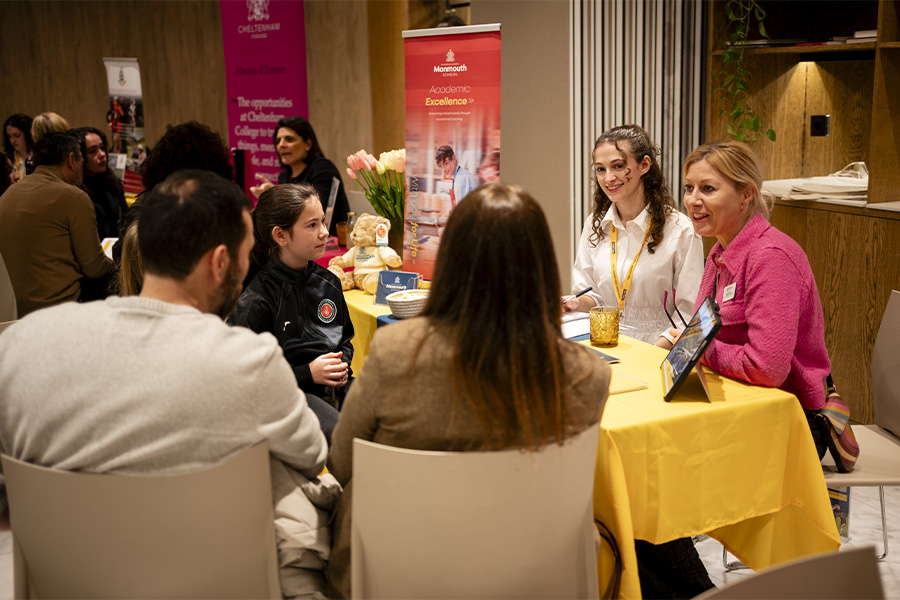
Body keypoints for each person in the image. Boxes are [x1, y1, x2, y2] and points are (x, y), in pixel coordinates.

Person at [0, 169, 336, 597]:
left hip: (70, 578)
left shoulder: (22, 343)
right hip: (218, 576)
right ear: (220, 262)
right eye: (248, 254)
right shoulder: (248, 360)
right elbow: (308, 453)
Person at [325, 182, 612, 598]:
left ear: (451, 261)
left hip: (397, 573)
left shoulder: (395, 353)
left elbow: (343, 463)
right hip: (529, 575)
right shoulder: (589, 376)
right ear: (542, 267)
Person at [678, 140, 831, 414]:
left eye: (708, 189)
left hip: (785, 416)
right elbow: (701, 333)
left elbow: (767, 369)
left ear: (746, 194)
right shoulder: (719, 253)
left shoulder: (772, 256)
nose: (692, 200)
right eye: (689, 188)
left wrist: (701, 350)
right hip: (736, 400)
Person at [229, 183, 352, 444]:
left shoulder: (329, 282)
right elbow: (248, 380)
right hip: (289, 395)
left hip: (337, 387)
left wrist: (342, 364)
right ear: (281, 236)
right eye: (312, 225)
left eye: (322, 222)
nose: (324, 232)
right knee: (342, 435)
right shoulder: (256, 300)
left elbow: (345, 340)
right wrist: (309, 373)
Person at [565, 124, 703, 344]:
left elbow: (689, 312)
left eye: (618, 166)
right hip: (605, 348)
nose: (608, 178)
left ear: (644, 165)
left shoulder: (680, 229)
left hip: (658, 350)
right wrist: (573, 303)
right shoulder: (594, 224)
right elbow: (592, 294)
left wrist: (653, 354)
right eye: (600, 169)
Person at [0, 132, 113, 316]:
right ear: (71, 160)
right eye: (81, 162)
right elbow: (94, 267)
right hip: (60, 310)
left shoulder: (7, 196)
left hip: (10, 316)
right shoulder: (74, 197)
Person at [250, 116, 350, 237]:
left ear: (307, 144)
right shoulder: (284, 176)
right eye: (278, 141)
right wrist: (271, 196)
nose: (281, 145)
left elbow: (313, 213)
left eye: (289, 139)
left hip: (329, 240)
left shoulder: (322, 168)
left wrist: (277, 197)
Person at [71, 126, 129, 239]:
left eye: (102, 148)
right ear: (79, 157)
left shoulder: (113, 183)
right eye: (92, 151)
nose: (102, 154)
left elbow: (127, 220)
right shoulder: (74, 192)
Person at [3, 113, 33, 182]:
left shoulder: (38, 156)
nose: (13, 141)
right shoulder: (9, 160)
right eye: (10, 137)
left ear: (27, 134)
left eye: (17, 135)